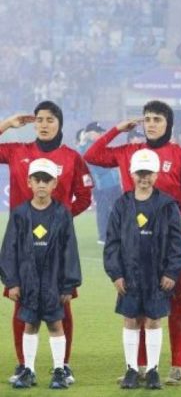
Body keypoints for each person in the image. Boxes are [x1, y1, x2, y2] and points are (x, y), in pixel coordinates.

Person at [84, 100, 181, 385]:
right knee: (135, 306)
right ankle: (138, 367)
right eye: (147, 119)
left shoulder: (180, 156)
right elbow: (93, 154)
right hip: (133, 246)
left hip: (167, 247)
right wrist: (117, 129)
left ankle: (177, 366)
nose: (151, 124)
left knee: (175, 304)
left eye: (157, 119)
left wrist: (172, 220)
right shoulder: (130, 152)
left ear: (168, 124)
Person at [0, 102, 93, 386]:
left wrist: (60, 222)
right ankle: (24, 365)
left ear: (59, 124)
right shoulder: (18, 151)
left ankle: (62, 365)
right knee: (21, 304)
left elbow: (85, 196)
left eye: (49, 119)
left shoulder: (72, 157)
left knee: (62, 306)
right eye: (38, 119)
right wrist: (6, 124)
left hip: (55, 245)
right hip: (21, 240)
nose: (43, 124)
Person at [104, 149, 181, 390]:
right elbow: (112, 243)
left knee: (153, 321)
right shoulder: (122, 204)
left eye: (148, 173)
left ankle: (152, 370)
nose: (144, 178)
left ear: (156, 174)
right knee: (131, 320)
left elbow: (177, 242)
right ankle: (131, 369)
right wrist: (116, 274)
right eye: (140, 173)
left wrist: (172, 272)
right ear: (131, 174)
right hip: (128, 275)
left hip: (157, 276)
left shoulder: (167, 204)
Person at [0, 159, 82, 389]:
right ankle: (28, 370)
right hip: (27, 282)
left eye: (47, 180)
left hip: (54, 282)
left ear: (55, 182)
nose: (42, 184)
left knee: (56, 325)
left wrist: (69, 285)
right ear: (29, 182)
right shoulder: (19, 214)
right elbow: (9, 250)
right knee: (30, 325)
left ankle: (59, 371)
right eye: (37, 179)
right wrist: (12, 282)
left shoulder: (62, 214)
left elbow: (70, 250)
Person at [79, 122, 121, 246]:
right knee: (105, 210)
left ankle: (108, 235)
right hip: (103, 185)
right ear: (90, 133)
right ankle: (104, 236)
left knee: (109, 210)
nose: (101, 134)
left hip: (109, 183)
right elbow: (96, 167)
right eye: (98, 132)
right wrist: (112, 166)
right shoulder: (89, 147)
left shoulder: (92, 145)